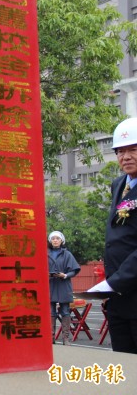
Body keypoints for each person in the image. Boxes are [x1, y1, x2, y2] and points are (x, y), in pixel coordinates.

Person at [88, 117, 137, 354]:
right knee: (123, 359)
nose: (125, 157)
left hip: (128, 286)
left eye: (133, 150)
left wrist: (112, 283)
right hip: (118, 295)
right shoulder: (119, 184)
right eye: (120, 151)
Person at [47, 230, 80, 345]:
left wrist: (65, 275)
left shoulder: (67, 254)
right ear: (50, 241)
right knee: (51, 312)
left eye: (57, 238)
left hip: (63, 285)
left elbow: (74, 270)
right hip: (50, 284)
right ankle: (51, 337)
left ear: (62, 240)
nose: (55, 240)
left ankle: (66, 338)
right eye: (53, 238)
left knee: (65, 311)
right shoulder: (45, 253)